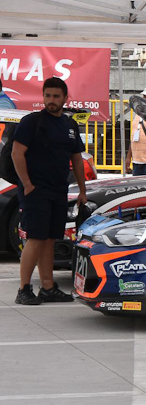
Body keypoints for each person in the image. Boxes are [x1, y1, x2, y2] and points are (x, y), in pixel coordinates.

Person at [12, 77, 86, 305]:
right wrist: (27, 184)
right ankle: (24, 289)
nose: (51, 100)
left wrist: (82, 190)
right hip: (36, 190)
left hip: (58, 190)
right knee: (35, 238)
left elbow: (77, 159)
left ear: (65, 98)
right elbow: (16, 153)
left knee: (49, 239)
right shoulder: (31, 122)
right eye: (47, 95)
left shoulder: (69, 125)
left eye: (56, 96)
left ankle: (48, 287)